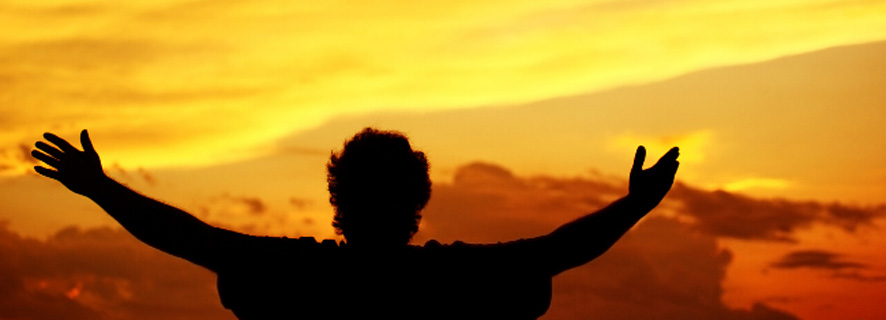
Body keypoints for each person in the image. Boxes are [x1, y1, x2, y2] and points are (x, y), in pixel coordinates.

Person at [31, 128, 679, 319]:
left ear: (338, 196)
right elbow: (558, 250)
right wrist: (636, 205)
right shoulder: (454, 279)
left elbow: (188, 237)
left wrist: (98, 188)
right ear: (419, 197)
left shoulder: (297, 274)